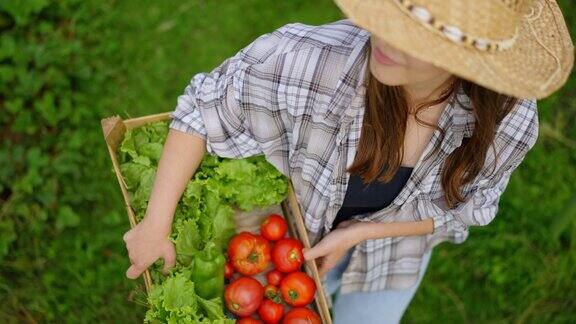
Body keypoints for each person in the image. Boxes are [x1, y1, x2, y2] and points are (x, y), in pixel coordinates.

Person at [122, 0, 573, 322]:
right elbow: (204, 109)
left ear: (471, 60)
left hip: (391, 261)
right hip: (295, 237)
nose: (388, 39)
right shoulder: (307, 62)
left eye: (419, 38)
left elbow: (471, 207)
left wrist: (365, 231)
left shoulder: (507, 120)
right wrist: (155, 224)